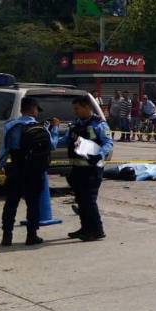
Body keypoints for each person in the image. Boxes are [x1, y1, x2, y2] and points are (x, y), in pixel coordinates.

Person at [0, 97, 58, 247]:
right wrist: (54, 128)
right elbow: (53, 146)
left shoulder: (10, 126)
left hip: (16, 168)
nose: (37, 112)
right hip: (34, 171)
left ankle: (7, 236)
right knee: (33, 204)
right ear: (32, 109)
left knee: (11, 203)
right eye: (37, 109)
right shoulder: (41, 127)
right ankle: (32, 235)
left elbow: (4, 150)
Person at [54, 97, 114, 242]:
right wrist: (51, 135)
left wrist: (98, 154)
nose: (75, 112)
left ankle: (97, 230)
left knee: (89, 200)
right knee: (81, 199)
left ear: (87, 107)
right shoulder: (75, 125)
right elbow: (64, 141)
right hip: (77, 169)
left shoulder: (99, 124)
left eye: (77, 109)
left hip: (92, 169)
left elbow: (108, 143)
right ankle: (85, 228)